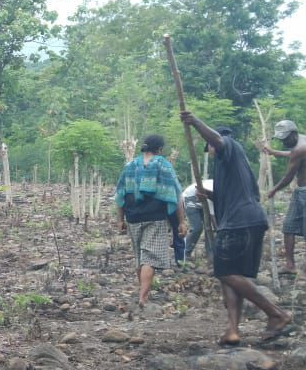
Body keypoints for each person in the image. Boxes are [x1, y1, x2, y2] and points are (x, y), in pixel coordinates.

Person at [181, 111, 293, 345]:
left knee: (224, 272)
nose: (210, 152)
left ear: (213, 144)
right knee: (231, 275)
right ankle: (232, 330)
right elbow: (233, 195)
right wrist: (209, 194)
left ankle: (276, 314)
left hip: (239, 222)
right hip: (247, 219)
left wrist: (195, 122)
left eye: (209, 148)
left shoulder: (228, 146)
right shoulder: (232, 166)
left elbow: (218, 140)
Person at [114, 134, 188, 307]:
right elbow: (176, 194)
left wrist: (120, 219)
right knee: (149, 258)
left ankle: (142, 291)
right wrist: (181, 221)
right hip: (155, 217)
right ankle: (143, 297)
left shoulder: (130, 166)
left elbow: (120, 195)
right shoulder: (163, 165)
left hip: (132, 217)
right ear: (160, 149)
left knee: (139, 257)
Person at [262, 119, 306, 275]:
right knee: (288, 227)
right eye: (281, 139)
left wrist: (273, 190)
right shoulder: (301, 141)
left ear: (293, 134)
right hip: (300, 191)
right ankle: (290, 265)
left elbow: (288, 177)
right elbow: (293, 154)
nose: (284, 142)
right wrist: (275, 152)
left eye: (285, 139)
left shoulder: (300, 147)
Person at [182, 179, 214, 260]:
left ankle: (210, 254)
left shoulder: (218, 191)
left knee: (209, 227)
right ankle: (185, 253)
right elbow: (213, 216)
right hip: (190, 197)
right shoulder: (211, 189)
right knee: (197, 227)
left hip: (204, 200)